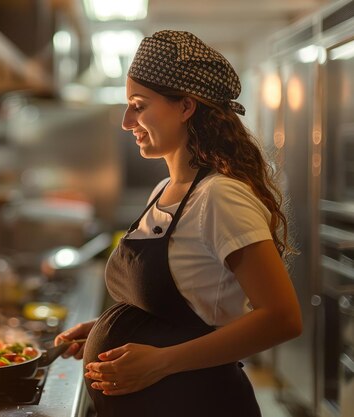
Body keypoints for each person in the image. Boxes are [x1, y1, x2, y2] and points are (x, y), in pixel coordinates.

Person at [54, 30, 302, 417]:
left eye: (138, 105)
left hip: (200, 403)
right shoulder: (165, 189)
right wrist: (107, 327)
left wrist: (160, 360)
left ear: (185, 107)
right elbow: (187, 304)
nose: (125, 121)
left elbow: (282, 318)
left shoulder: (219, 196)